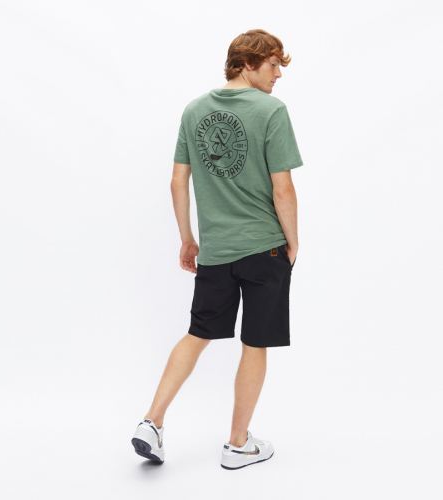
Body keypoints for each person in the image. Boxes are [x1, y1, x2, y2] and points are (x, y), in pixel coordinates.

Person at [131, 29, 303, 470]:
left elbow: (177, 181)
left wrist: (188, 239)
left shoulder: (194, 110)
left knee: (197, 334)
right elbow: (283, 189)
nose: (279, 74)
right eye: (273, 65)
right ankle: (238, 444)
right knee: (255, 344)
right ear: (247, 64)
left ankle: (151, 422)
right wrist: (293, 241)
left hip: (216, 251)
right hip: (264, 248)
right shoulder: (271, 111)